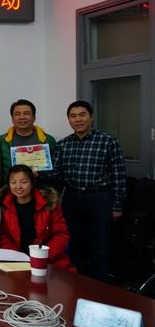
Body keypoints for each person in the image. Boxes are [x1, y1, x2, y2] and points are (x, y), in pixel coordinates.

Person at [52, 100, 126, 281]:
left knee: (99, 246)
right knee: (74, 244)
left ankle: (99, 288)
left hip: (98, 198)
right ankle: (77, 284)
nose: (78, 120)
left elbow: (119, 175)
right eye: (73, 116)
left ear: (91, 117)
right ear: (69, 120)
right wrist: (34, 170)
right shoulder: (63, 144)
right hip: (71, 198)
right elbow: (55, 173)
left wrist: (117, 206)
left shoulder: (107, 141)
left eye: (82, 115)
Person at [0, 165, 74, 271]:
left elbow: (61, 234)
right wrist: (16, 256)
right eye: (13, 182)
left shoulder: (49, 204)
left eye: (24, 182)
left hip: (49, 261)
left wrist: (42, 256)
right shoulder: (4, 205)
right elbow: (3, 235)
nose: (18, 186)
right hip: (16, 262)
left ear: (32, 183)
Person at [0, 99, 57, 184]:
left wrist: (40, 174)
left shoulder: (48, 140)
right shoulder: (2, 141)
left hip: (42, 188)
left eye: (26, 113)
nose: (22, 117)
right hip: (12, 189)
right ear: (12, 119)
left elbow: (56, 169)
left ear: (34, 117)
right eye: (17, 114)